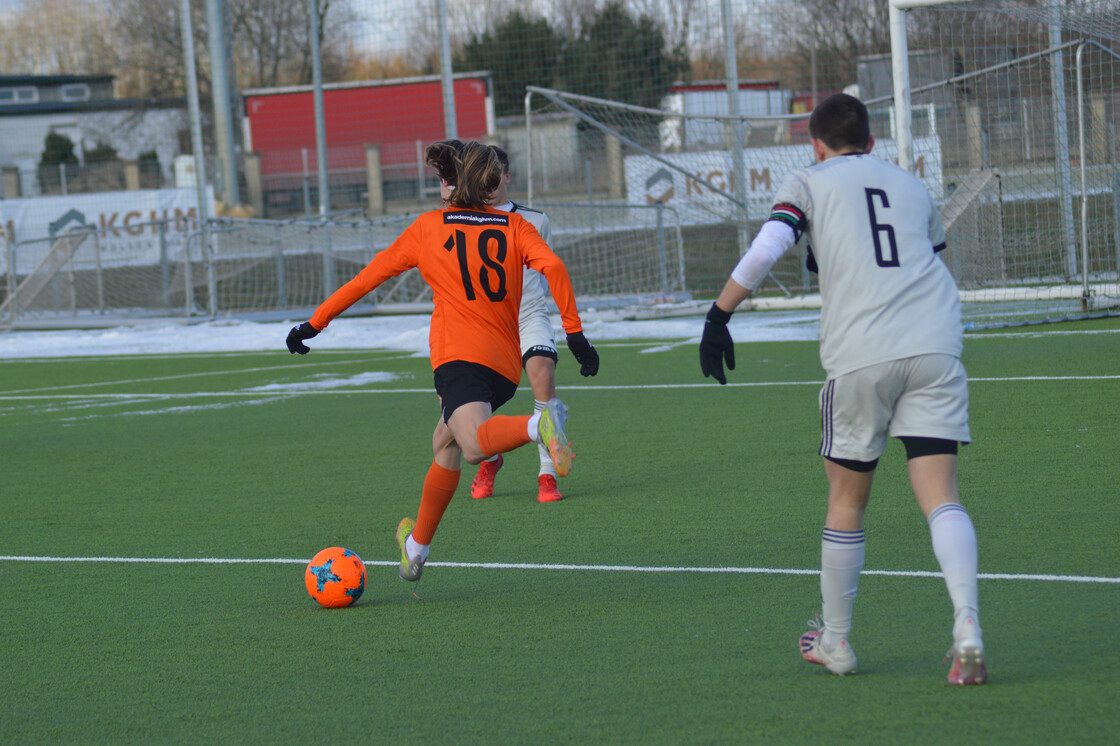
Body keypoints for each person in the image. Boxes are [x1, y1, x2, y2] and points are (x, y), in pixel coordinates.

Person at [699, 93, 986, 685]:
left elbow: (769, 247)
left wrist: (718, 316)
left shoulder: (807, 180)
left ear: (816, 144)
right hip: (936, 340)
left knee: (848, 499)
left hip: (863, 355)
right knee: (942, 495)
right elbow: (913, 258)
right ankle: (967, 625)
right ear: (873, 142)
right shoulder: (910, 184)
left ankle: (835, 640)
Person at [287, 140, 600, 583]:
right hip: (505, 365)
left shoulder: (429, 228)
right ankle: (415, 549)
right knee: (446, 444)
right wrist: (576, 335)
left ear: (451, 185)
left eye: (441, 179)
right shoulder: (515, 226)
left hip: (459, 357)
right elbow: (555, 269)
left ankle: (540, 426)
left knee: (472, 446)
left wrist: (313, 324)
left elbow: (366, 279)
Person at [469, 146, 595, 504]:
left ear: (507, 178)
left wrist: (576, 333)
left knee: (544, 379)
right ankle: (491, 457)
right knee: (468, 413)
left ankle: (547, 475)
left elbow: (548, 272)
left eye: (496, 177)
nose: (489, 185)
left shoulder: (536, 220)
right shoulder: (464, 219)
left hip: (529, 315)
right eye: (482, 179)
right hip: (484, 324)